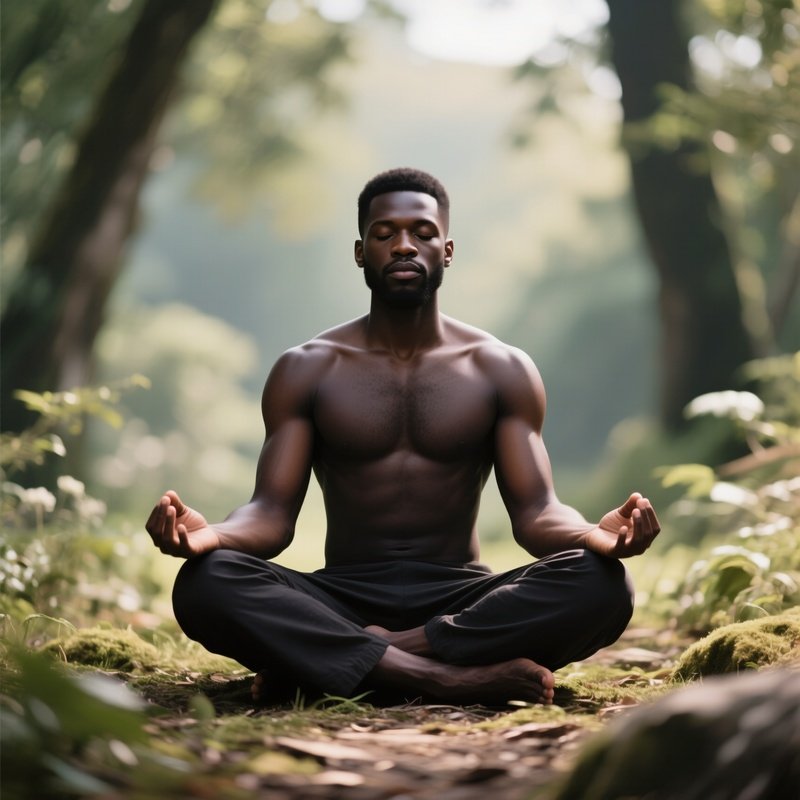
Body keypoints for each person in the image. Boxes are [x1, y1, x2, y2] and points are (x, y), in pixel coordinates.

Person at [146, 167, 661, 707]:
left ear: (448, 248)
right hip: (341, 597)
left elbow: (536, 513)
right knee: (206, 581)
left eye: (422, 232)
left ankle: (339, 663)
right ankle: (447, 679)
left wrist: (594, 539)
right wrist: (212, 539)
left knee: (603, 583)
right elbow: (271, 515)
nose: (404, 246)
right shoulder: (307, 369)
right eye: (385, 234)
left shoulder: (501, 369)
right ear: (360, 251)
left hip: (461, 601)